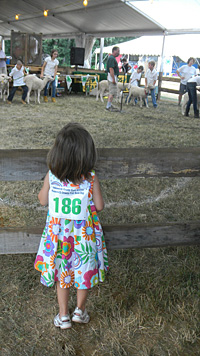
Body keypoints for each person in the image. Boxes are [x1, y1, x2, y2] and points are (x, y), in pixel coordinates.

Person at [34, 122, 109, 329]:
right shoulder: (91, 178)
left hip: (60, 238)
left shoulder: (52, 176)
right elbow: (100, 206)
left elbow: (42, 200)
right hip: (84, 238)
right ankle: (80, 311)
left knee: (63, 274)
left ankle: (63, 315)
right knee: (83, 273)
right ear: (86, 155)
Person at [106, 46, 120, 112]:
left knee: (113, 92)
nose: (118, 52)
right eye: (118, 51)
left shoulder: (112, 58)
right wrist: (113, 79)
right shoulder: (111, 58)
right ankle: (108, 106)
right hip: (112, 77)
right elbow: (111, 69)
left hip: (112, 77)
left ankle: (109, 104)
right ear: (114, 51)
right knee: (112, 92)